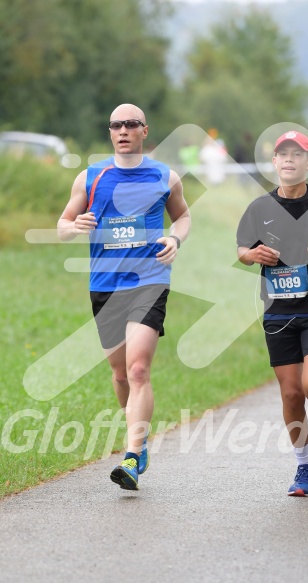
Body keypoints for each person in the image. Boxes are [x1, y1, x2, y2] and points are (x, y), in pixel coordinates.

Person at [58, 103, 191, 491]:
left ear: (144, 131)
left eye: (131, 124)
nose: (123, 130)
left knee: (137, 370)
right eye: (116, 125)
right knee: (119, 374)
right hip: (104, 285)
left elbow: (183, 216)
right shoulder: (90, 177)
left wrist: (174, 237)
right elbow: (63, 225)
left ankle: (131, 456)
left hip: (149, 281)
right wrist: (75, 225)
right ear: (110, 131)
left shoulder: (165, 176)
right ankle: (141, 437)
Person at [236, 130, 308, 497]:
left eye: (296, 154)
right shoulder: (259, 208)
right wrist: (253, 255)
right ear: (273, 163)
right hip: (277, 312)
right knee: (290, 394)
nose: (288, 160)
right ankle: (304, 466)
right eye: (281, 154)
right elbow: (243, 248)